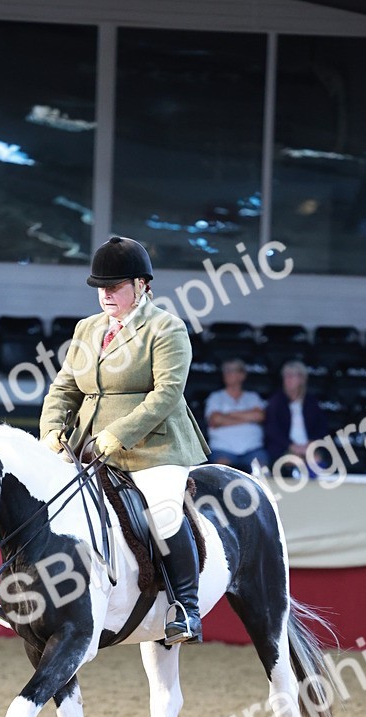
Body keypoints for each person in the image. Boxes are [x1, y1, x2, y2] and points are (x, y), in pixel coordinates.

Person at [37, 235, 210, 644]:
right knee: (39, 501)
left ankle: (185, 607)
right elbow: (64, 388)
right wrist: (50, 429)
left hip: (153, 446)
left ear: (141, 284)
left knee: (165, 510)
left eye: (114, 286)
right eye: (101, 287)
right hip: (86, 443)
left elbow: (167, 395)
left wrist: (117, 435)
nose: (105, 294)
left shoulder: (167, 328)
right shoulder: (87, 328)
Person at [264, 360, 329, 473]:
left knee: (316, 460)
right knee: (294, 461)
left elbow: (321, 427)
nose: (288, 379)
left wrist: (310, 443)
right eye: (286, 376)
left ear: (302, 379)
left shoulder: (311, 402)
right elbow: (272, 429)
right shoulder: (276, 401)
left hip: (308, 446)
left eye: (292, 376)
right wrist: (291, 446)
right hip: (285, 447)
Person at [204, 359, 269, 472]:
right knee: (221, 475)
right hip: (222, 449)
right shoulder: (216, 397)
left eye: (231, 370)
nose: (227, 373)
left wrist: (229, 415)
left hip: (252, 449)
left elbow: (259, 416)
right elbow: (216, 419)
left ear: (242, 375)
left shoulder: (253, 397)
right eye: (225, 371)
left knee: (262, 472)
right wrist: (248, 418)